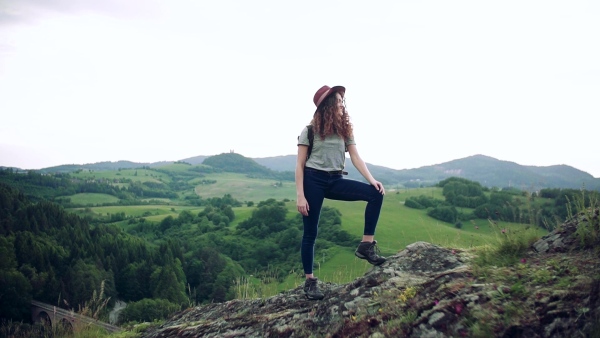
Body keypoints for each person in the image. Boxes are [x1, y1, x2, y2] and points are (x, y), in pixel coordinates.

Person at [295, 85, 387, 300]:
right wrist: (300, 194)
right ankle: (309, 281)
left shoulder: (345, 130)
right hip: (313, 180)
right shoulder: (309, 131)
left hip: (335, 179)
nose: (341, 105)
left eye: (341, 101)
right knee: (310, 233)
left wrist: (372, 180)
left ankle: (366, 245)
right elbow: (299, 165)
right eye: (337, 101)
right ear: (326, 105)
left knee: (376, 194)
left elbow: (355, 157)